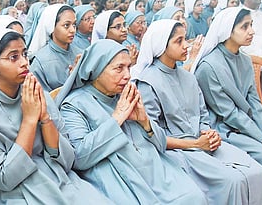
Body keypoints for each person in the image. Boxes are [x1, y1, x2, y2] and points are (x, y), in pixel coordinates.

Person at [0, 28, 111, 204]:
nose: (24, 62)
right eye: (13, 57)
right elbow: (5, 179)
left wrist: (45, 118)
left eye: (25, 54)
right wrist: (30, 121)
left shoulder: (35, 92)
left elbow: (68, 160)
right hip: (17, 194)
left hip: (60, 180)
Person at [133, 19, 262, 204]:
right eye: (178, 41)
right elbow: (152, 135)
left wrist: (209, 132)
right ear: (161, 45)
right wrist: (196, 144)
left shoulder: (187, 77)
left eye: (185, 39)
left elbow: (202, 114)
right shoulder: (148, 82)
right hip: (177, 150)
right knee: (233, 181)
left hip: (203, 142)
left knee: (257, 172)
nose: (186, 46)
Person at [56, 38, 207, 204]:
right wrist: (117, 119)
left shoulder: (125, 94)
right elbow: (79, 157)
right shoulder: (74, 104)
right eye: (119, 68)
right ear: (96, 70)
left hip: (154, 169)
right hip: (118, 176)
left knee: (195, 197)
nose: (127, 75)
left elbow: (160, 143)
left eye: (129, 67)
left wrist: (144, 122)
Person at [192, 7, 262, 187]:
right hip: (225, 129)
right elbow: (229, 114)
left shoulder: (244, 59)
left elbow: (254, 102)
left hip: (248, 123)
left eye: (251, 25)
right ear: (228, 31)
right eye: (244, 26)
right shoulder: (209, 67)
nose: (252, 31)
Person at [29, 4, 81, 92]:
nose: (73, 30)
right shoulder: (40, 62)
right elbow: (43, 99)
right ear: (51, 27)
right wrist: (71, 81)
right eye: (66, 25)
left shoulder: (80, 52)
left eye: (74, 24)